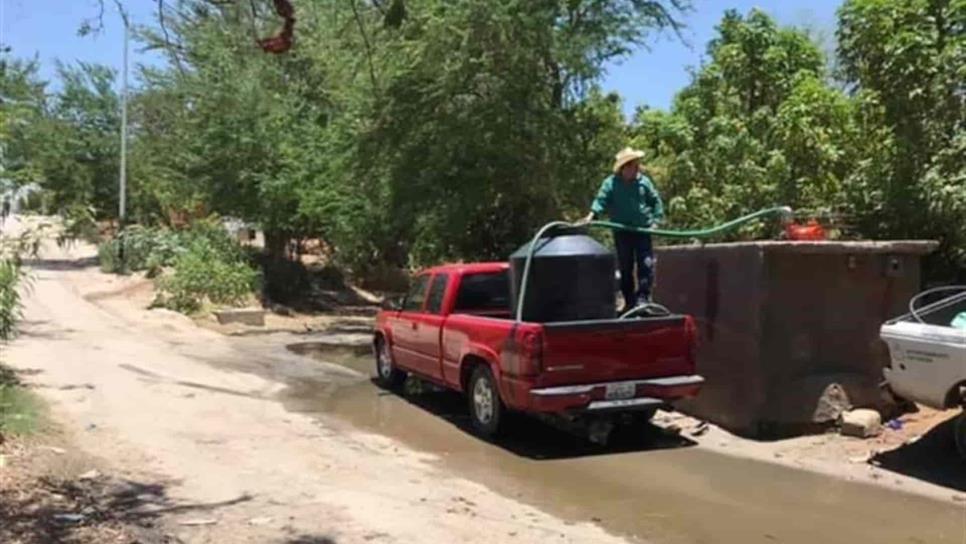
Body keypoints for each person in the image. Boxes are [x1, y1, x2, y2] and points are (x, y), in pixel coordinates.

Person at [581, 147, 664, 311]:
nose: (637, 169)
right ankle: (629, 302)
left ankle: (643, 299)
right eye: (633, 165)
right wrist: (590, 216)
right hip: (622, 232)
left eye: (637, 165)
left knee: (645, 264)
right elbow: (601, 200)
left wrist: (656, 221)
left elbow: (656, 201)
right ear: (624, 168)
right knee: (625, 267)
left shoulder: (644, 182)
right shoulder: (611, 183)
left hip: (642, 230)